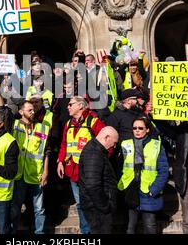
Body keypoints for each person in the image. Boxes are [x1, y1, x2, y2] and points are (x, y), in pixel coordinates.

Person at [57, 96, 106, 234]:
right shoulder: (68, 123)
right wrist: (60, 161)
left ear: (81, 106)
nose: (68, 107)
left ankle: (94, 230)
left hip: (89, 173)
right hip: (73, 171)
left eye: (71, 104)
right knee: (80, 204)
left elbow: (108, 144)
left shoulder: (94, 122)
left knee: (91, 203)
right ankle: (86, 231)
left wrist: (98, 163)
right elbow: (64, 144)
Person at [118, 117, 169, 234]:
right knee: (130, 227)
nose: (137, 130)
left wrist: (153, 189)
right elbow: (119, 167)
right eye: (134, 128)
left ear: (147, 130)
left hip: (148, 190)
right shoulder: (125, 144)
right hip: (130, 189)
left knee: (149, 226)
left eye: (140, 128)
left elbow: (163, 171)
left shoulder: (156, 146)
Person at [10, 101, 50, 234]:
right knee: (15, 207)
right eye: (29, 110)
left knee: (39, 208)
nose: (33, 112)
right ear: (21, 112)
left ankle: (40, 233)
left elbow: (46, 152)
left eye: (33, 110)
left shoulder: (42, 128)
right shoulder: (13, 125)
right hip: (19, 173)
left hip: (36, 173)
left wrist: (45, 172)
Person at [78, 126, 119, 234]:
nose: (114, 146)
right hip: (97, 209)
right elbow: (93, 185)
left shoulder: (97, 150)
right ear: (106, 137)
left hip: (97, 207)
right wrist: (105, 207)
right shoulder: (93, 153)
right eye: (114, 142)